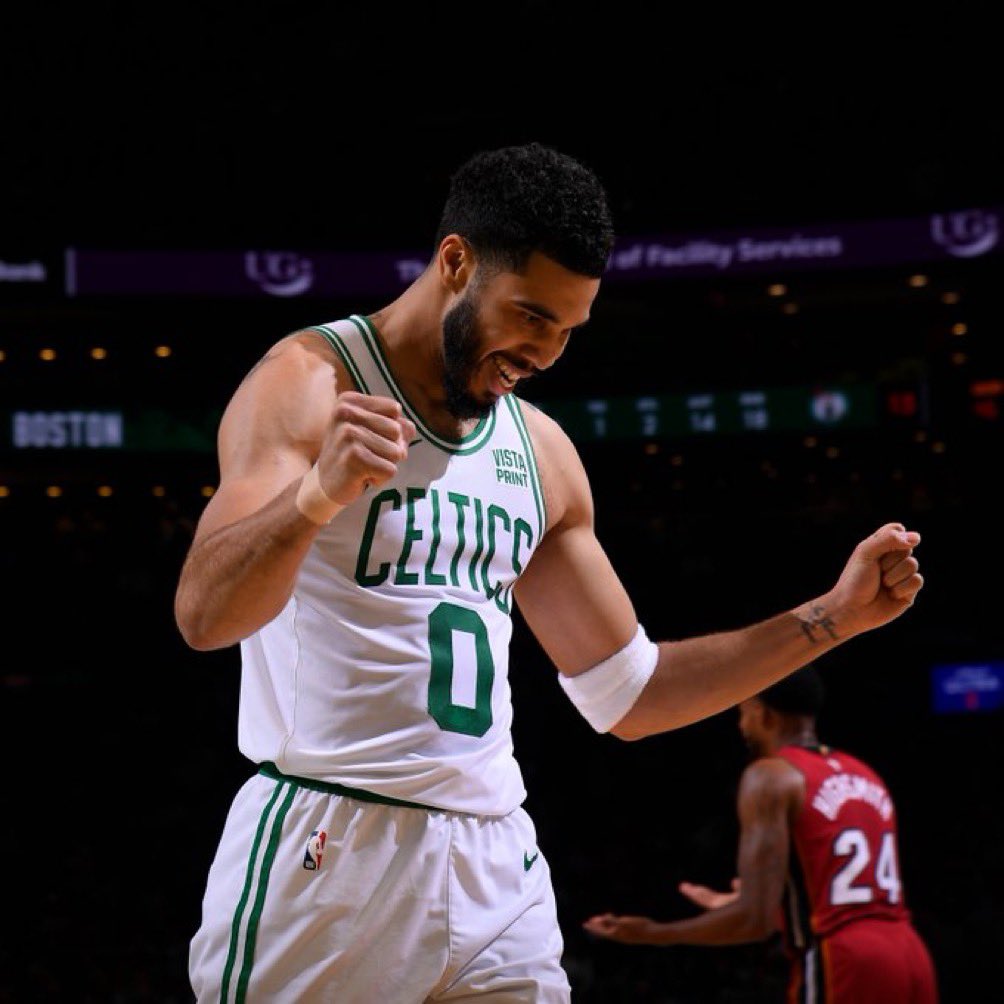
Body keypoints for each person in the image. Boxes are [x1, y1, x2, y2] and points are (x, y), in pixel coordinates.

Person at [174, 141, 925, 1003]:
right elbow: (204, 613)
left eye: (569, 329)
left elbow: (632, 695)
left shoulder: (541, 453)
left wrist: (833, 615)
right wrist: (315, 496)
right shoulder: (306, 384)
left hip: (497, 859)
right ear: (455, 261)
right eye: (531, 315)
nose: (547, 352)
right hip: (330, 844)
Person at [583, 665, 939, 1003]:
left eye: (744, 712)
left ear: (764, 713)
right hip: (910, 952)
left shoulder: (771, 776)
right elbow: (838, 896)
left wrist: (652, 934)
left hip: (847, 958)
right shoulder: (864, 774)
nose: (742, 724)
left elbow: (753, 922)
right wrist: (753, 902)